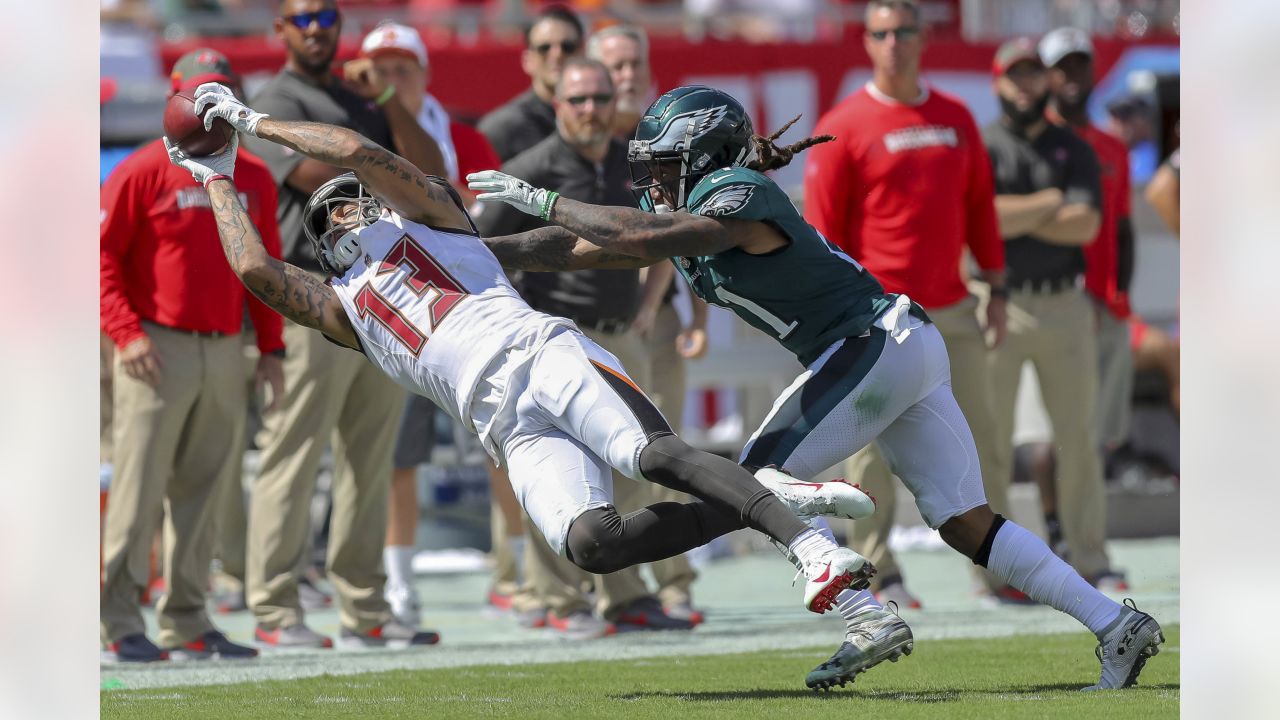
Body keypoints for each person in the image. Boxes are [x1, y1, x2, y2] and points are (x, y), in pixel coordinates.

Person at [468, 83, 1164, 692]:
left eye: (661, 167)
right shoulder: (700, 206)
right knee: (963, 521)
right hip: (895, 347)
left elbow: (645, 237)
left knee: (749, 485)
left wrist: (548, 199)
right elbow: (591, 246)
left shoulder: (735, 196)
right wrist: (479, 252)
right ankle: (1114, 623)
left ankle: (866, 617)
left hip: (872, 344)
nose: (650, 183)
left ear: (703, 159)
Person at [172, 84, 881, 645]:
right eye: (324, 221)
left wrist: (252, 123)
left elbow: (355, 150)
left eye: (347, 207)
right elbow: (254, 269)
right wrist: (216, 177)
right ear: (320, 250)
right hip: (507, 428)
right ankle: (762, 497)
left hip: (545, 357)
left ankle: (808, 548)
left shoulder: (437, 222)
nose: (339, 219)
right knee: (592, 544)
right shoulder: (344, 311)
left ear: (377, 206)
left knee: (651, 455)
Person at [238, 0, 445, 650]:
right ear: (281, 29)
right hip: (311, 299)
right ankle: (275, 609)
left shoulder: (361, 97)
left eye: (326, 17)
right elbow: (321, 177)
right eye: (302, 18)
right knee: (293, 456)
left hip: (379, 301)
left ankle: (365, 611)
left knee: (370, 462)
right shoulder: (274, 100)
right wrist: (383, 166)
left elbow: (428, 169)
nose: (316, 29)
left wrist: (385, 95)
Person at [477, 57, 696, 631]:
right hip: (558, 340)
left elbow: (664, 236)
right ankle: (559, 599)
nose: (592, 110)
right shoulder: (529, 169)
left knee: (631, 472)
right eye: (579, 100)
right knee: (560, 474)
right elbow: (475, 249)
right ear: (558, 105)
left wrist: (651, 306)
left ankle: (623, 595)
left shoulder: (632, 164)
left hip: (625, 335)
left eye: (600, 98)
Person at [803, 0, 1005, 612]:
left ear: (923, 38)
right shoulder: (844, 125)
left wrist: (997, 284)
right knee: (868, 454)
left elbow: (980, 208)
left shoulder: (956, 117)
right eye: (882, 33)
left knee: (983, 444)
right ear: (867, 42)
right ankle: (877, 572)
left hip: (954, 310)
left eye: (904, 32)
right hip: (879, 320)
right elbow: (821, 237)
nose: (894, 43)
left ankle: (995, 568)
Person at [99, 49, 277, 663]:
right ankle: (119, 619)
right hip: (156, 347)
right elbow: (99, 258)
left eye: (221, 92)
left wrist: (272, 351)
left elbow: (268, 270)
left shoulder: (251, 174)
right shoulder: (142, 170)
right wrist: (127, 334)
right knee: (138, 490)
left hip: (226, 348)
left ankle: (187, 618)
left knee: (205, 493)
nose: (211, 107)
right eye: (200, 94)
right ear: (175, 99)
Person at [360, 20, 507, 627]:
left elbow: (470, 212)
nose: (391, 83)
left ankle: (515, 570)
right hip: (401, 313)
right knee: (398, 456)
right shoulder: (350, 134)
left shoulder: (463, 138)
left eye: (402, 71)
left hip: (467, 310)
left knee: (505, 439)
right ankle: (397, 584)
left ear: (423, 75)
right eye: (379, 73)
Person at [982, 38, 1122, 593]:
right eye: (1014, 75)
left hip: (1065, 301)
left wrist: (1019, 215)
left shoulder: (1074, 146)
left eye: (1032, 75)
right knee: (989, 441)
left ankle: (1090, 555)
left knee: (1078, 438)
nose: (1025, 85)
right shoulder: (984, 146)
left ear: (1046, 82)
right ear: (997, 82)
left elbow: (1085, 226)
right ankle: (993, 569)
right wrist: (1049, 203)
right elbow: (985, 221)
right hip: (999, 301)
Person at [589, 23, 709, 622]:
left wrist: (695, 312)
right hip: (597, 319)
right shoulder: (582, 140)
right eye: (615, 65)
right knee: (614, 458)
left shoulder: (664, 137)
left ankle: (674, 579)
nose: (627, 75)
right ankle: (613, 582)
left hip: (651, 319)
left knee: (667, 453)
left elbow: (687, 229)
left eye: (635, 62)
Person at [1039, 27, 1137, 589]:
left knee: (1092, 435)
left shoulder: (1111, 148)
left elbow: (1122, 228)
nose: (1071, 77)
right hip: (1053, 300)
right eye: (1061, 67)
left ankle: (1083, 542)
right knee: (1048, 437)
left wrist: (1119, 296)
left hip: (1103, 305)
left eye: (1080, 66)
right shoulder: (1036, 141)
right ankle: (1055, 532)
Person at [479, 4, 584, 161]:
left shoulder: (602, 117)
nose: (556, 54)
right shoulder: (503, 128)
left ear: (583, 54)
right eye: (544, 48)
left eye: (567, 47)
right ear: (527, 60)